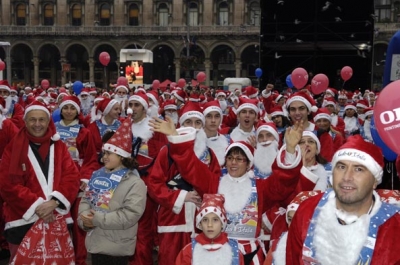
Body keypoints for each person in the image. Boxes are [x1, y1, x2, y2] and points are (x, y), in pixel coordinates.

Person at [150, 115, 304, 264]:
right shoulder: (213, 182)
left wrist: (290, 150)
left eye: (239, 159)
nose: (233, 163)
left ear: (248, 163)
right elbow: (191, 167)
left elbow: (283, 182)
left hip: (251, 254)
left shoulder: (260, 187)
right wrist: (175, 136)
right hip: (219, 254)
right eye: (230, 158)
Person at [286, 135, 400, 264]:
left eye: (358, 169)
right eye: (341, 167)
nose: (347, 177)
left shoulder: (394, 225)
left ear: (375, 181)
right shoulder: (307, 210)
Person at [0, 100, 80, 261]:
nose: (37, 124)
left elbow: (71, 177)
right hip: (22, 221)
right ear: (25, 121)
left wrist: (54, 203)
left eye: (42, 119)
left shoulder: (59, 147)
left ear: (48, 121)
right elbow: (7, 184)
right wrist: (38, 206)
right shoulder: (13, 147)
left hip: (56, 217)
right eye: (32, 119)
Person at [147, 101, 221, 265]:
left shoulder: (209, 155)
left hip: (203, 223)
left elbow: (215, 186)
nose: (193, 127)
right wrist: (181, 196)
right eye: (188, 122)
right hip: (173, 220)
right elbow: (154, 185)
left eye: (197, 122)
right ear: (181, 124)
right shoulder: (166, 151)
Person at [78, 118, 146, 265]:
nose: (104, 157)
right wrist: (84, 220)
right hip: (96, 243)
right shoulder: (97, 175)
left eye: (109, 153)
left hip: (117, 247)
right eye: (104, 153)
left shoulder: (135, 183)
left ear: (121, 156)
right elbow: (86, 200)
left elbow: (130, 215)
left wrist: (96, 219)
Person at [55, 95, 99, 265]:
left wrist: (86, 178)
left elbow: (90, 159)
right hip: (58, 183)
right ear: (60, 109)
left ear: (78, 110)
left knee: (80, 224)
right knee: (59, 222)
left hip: (78, 183)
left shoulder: (84, 132)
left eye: (72, 108)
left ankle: (80, 260)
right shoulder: (53, 130)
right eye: (65, 108)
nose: (68, 111)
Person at [175, 194, 245, 265]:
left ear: (222, 223)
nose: (210, 225)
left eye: (215, 220)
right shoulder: (188, 252)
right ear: (200, 224)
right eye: (205, 220)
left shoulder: (235, 253)